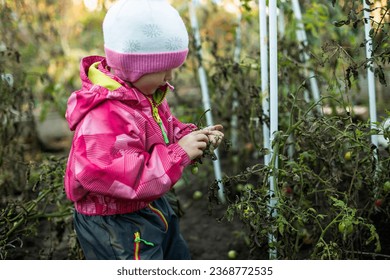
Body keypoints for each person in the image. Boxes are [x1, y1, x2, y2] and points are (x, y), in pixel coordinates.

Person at [64, 0, 224, 260]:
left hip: (147, 206)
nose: (170, 77)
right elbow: (128, 178)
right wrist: (178, 154)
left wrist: (191, 137)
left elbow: (164, 129)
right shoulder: (103, 117)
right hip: (116, 224)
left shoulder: (144, 95)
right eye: (164, 70)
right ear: (134, 67)